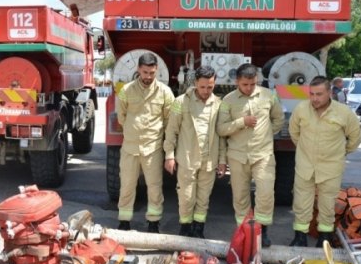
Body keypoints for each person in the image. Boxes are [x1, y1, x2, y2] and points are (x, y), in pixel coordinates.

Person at [288, 76, 361, 247]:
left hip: (331, 168)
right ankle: (300, 236)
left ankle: (325, 237)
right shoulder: (301, 109)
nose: (314, 98)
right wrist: (304, 150)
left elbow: (355, 138)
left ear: (329, 92)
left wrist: (341, 153)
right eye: (312, 94)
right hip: (305, 165)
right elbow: (294, 133)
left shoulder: (343, 113)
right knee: (301, 203)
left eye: (319, 94)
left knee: (328, 204)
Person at [217, 63, 285, 247]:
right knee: (240, 196)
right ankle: (244, 231)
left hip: (263, 155)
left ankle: (262, 231)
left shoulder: (269, 96)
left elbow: (278, 118)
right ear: (237, 81)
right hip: (238, 156)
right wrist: (241, 122)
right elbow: (221, 129)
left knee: (265, 193)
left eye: (253, 84)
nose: (249, 88)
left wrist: (267, 134)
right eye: (245, 84)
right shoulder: (228, 101)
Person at [163, 66, 227, 238]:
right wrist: (169, 155)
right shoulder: (180, 102)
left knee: (203, 198)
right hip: (187, 158)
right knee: (186, 197)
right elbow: (171, 130)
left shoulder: (219, 104)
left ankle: (199, 229)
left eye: (210, 87)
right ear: (195, 83)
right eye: (203, 87)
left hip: (209, 160)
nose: (206, 91)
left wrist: (222, 160)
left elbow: (221, 136)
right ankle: (185, 228)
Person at [116, 52, 175, 233]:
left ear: (156, 70)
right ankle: (124, 221)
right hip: (130, 147)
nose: (148, 77)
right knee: (127, 185)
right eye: (144, 72)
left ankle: (154, 222)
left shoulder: (165, 92)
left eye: (151, 73)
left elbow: (169, 121)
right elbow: (121, 117)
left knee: (155, 187)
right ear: (138, 70)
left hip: (153, 148)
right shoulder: (126, 91)